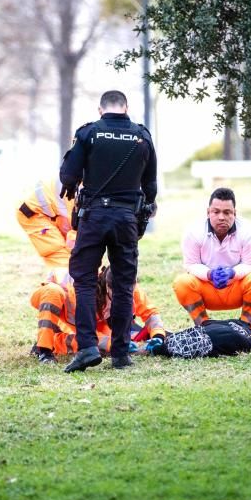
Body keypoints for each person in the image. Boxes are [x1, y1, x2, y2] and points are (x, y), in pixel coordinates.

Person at [59, 89, 157, 373]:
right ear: (126, 107)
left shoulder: (89, 133)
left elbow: (67, 176)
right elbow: (150, 188)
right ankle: (121, 354)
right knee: (125, 284)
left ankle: (88, 347)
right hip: (127, 218)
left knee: (86, 280)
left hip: (94, 217)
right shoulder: (142, 136)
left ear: (100, 110)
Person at [172, 187, 251, 335]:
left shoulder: (249, 231)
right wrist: (209, 274)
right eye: (216, 212)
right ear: (208, 212)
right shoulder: (193, 231)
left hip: (236, 286)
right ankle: (204, 329)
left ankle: (248, 329)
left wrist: (232, 272)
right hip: (207, 288)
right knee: (182, 283)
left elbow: (250, 264)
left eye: (227, 212)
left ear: (235, 213)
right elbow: (191, 264)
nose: (221, 217)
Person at [31, 267, 166, 364]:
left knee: (103, 350)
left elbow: (150, 312)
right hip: (56, 298)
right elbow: (86, 332)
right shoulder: (87, 292)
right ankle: (44, 349)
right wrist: (109, 342)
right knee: (92, 343)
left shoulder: (127, 284)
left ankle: (56, 341)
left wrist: (158, 335)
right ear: (108, 287)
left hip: (98, 316)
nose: (124, 297)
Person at [16, 176, 76, 280]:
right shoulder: (83, 191)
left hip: (53, 213)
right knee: (63, 261)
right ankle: (59, 293)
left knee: (76, 261)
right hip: (33, 213)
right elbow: (76, 235)